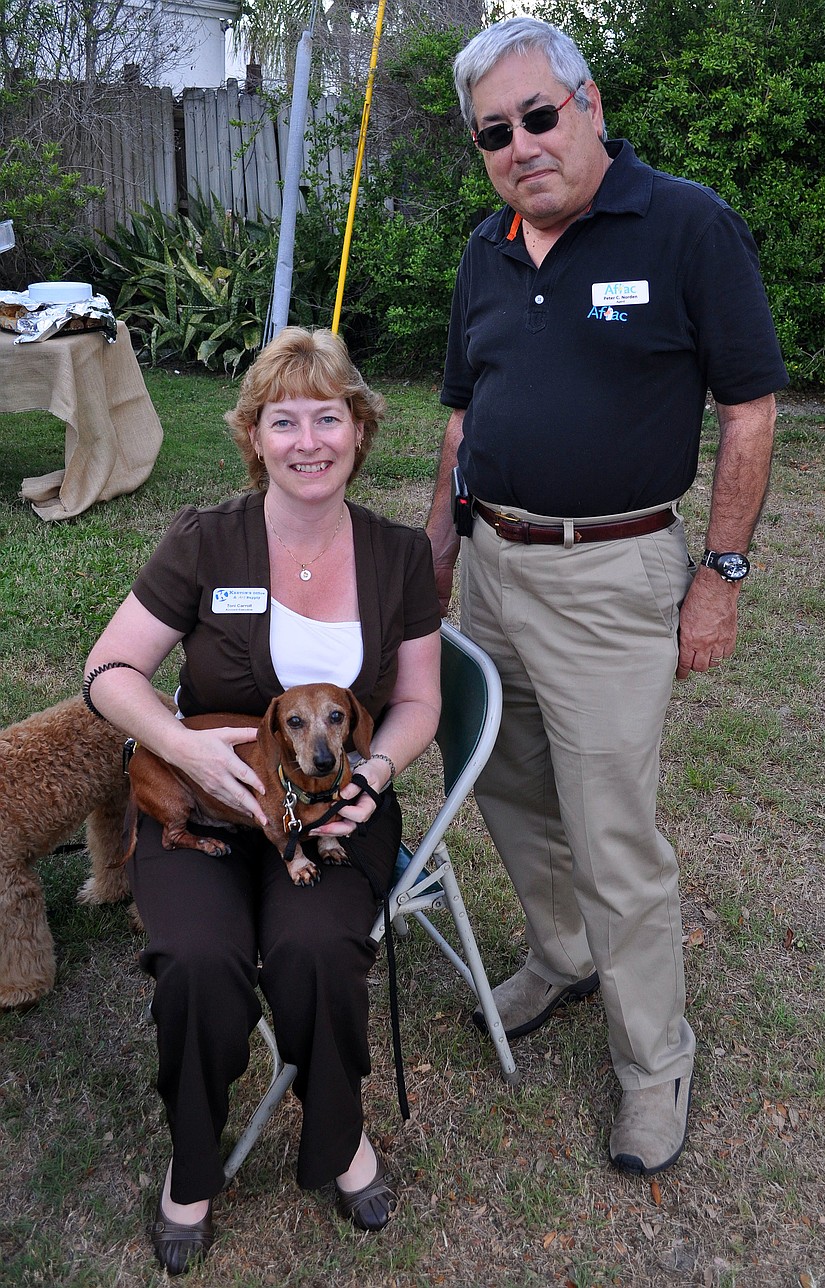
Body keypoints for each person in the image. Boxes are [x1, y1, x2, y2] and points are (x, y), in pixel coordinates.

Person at [427, 17, 787, 1178]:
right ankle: (563, 949)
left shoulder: (684, 224)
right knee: (506, 785)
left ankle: (651, 1061)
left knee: (612, 830)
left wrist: (719, 575)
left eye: (538, 115)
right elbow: (461, 416)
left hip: (612, 575)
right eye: (495, 133)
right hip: (489, 565)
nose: (521, 144)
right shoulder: (484, 249)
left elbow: (749, 409)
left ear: (585, 102)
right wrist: (437, 548)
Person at [84, 327, 442, 1274]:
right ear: (255, 439)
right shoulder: (206, 539)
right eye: (284, 420)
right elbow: (111, 669)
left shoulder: (401, 554)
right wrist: (180, 748)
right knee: (199, 963)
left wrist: (374, 774)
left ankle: (339, 1136)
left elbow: (418, 700)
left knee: (318, 949)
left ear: (359, 432)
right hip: (206, 798)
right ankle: (192, 1165)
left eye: (330, 416)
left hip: (334, 812)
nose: (309, 439)